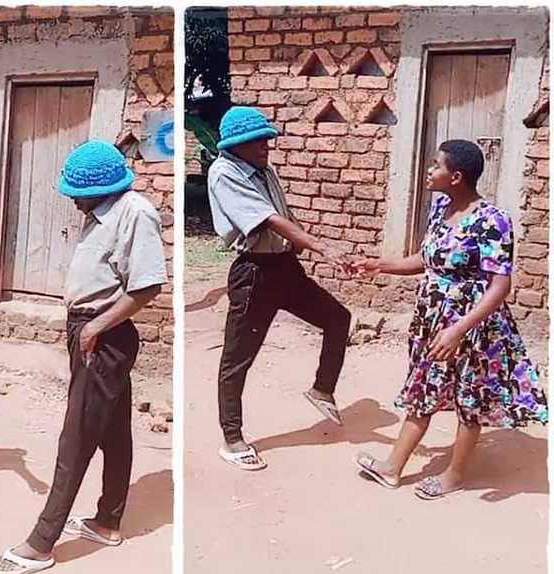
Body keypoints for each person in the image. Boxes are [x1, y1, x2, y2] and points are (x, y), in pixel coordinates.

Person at [0, 140, 168, 574]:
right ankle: (108, 521)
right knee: (112, 431)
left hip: (103, 337)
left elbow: (146, 287)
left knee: (76, 436)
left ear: (102, 188)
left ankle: (42, 542)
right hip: (92, 332)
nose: (70, 198)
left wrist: (93, 327)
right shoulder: (100, 214)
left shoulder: (134, 213)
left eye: (76, 191)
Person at [352, 139, 548, 499]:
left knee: (469, 397)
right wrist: (382, 265)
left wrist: (459, 329)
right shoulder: (440, 208)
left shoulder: (493, 221)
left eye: (436, 165)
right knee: (422, 386)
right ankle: (392, 468)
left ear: (456, 176)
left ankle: (454, 475)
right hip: (432, 320)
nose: (429, 170)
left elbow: (500, 286)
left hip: (473, 327)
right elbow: (427, 261)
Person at [207, 106, 353, 471]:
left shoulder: (265, 170)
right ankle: (233, 437)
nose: (264, 146)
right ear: (235, 145)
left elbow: (283, 216)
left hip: (284, 266)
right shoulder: (224, 172)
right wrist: (320, 246)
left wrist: (310, 243)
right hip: (254, 273)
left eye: (266, 138)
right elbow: (266, 219)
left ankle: (322, 389)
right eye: (255, 141)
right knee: (237, 359)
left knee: (338, 317)